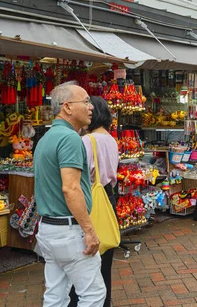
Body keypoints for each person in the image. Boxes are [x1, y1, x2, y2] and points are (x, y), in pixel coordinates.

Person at [34, 81, 106, 306]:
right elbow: (70, 187)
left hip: (48, 229)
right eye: (85, 101)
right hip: (68, 230)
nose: (91, 106)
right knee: (93, 295)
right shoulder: (69, 138)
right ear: (67, 107)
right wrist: (89, 230)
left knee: (55, 295)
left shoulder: (45, 139)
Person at [69, 97, 119, 307]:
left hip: (91, 199)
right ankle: (105, 301)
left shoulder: (86, 141)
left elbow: (79, 176)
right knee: (105, 259)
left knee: (84, 257)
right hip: (109, 198)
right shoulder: (110, 139)